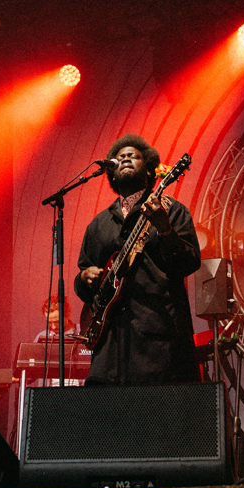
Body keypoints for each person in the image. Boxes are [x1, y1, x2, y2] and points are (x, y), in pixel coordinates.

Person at [75, 134, 200, 385]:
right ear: (111, 172)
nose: (126, 158)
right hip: (109, 350)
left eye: (134, 156)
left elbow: (189, 263)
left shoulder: (172, 210)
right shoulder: (99, 224)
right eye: (120, 157)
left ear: (150, 170)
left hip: (157, 342)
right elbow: (84, 278)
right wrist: (84, 278)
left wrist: (165, 230)